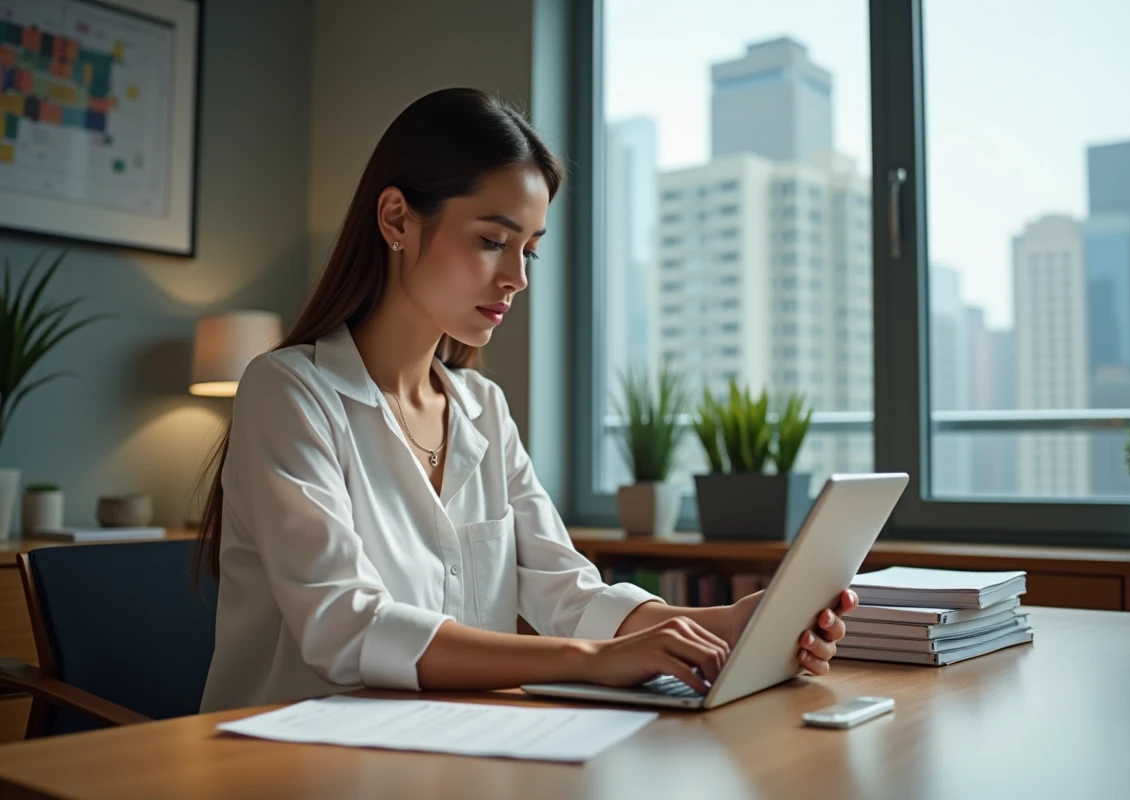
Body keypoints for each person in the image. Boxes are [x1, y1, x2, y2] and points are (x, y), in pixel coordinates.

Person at [195, 87, 857, 713]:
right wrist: (590, 660)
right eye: (492, 241)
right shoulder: (288, 393)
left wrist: (732, 624)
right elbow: (344, 626)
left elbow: (565, 589)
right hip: (290, 762)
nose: (515, 278)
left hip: (446, 754)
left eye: (530, 252)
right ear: (396, 217)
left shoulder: (482, 407)